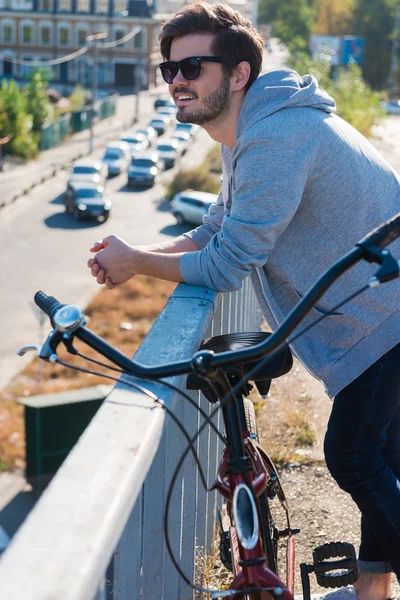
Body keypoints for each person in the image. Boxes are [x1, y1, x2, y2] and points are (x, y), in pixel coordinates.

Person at [87, 3, 400, 597]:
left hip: (385, 315)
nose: (177, 80)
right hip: (382, 311)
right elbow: (217, 230)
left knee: (355, 456)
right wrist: (133, 256)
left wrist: (137, 263)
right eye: (169, 70)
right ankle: (372, 591)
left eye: (193, 67)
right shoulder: (250, 130)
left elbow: (229, 263)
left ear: (238, 74)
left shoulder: (276, 135)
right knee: (383, 454)